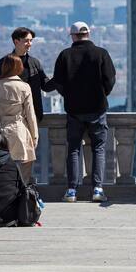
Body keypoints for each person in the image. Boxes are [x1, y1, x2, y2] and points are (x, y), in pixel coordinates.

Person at [44, 21, 116, 203]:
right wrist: (101, 95)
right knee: (98, 148)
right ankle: (97, 189)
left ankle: (71, 191)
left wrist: (68, 95)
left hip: (74, 110)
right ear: (88, 34)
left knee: (74, 149)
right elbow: (110, 79)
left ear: (73, 36)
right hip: (97, 108)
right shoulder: (101, 54)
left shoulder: (65, 55)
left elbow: (58, 82)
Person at [0, 54, 40, 185]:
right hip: (19, 130)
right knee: (22, 170)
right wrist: (34, 136)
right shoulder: (24, 87)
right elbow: (30, 114)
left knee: (1, 167)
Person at [0, 27, 49, 122]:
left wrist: (60, 78)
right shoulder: (4, 63)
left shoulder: (35, 63)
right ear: (16, 42)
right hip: (11, 117)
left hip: (33, 115)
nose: (30, 44)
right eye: (26, 41)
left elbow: (46, 86)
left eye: (31, 41)